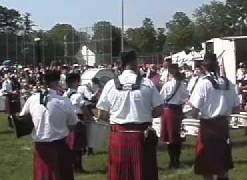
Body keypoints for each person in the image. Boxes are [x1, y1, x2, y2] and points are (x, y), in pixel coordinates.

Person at [96, 50, 163, 180]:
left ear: (122, 64)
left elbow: (101, 114)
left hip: (119, 136)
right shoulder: (147, 83)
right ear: (134, 62)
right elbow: (159, 109)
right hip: (142, 136)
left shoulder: (110, 85)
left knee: (119, 173)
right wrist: (144, 112)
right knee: (143, 173)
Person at [20, 70, 79, 180]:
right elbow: (72, 124)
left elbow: (22, 119)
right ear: (55, 83)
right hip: (59, 145)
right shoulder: (64, 101)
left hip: (41, 146)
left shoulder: (32, 99)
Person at [189, 53, 239, 180]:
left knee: (207, 167)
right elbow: (236, 108)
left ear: (204, 67)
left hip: (207, 128)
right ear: (217, 66)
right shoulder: (228, 83)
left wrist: (199, 113)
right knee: (223, 165)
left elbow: (194, 111)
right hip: (223, 126)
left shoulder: (203, 83)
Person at [160, 63, 189, 168]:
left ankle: (172, 161)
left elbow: (161, 98)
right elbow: (186, 97)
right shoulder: (182, 84)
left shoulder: (167, 85)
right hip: (178, 110)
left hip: (168, 110)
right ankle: (176, 160)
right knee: (177, 136)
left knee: (170, 138)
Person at [64, 73, 90, 173]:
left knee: (71, 144)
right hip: (78, 121)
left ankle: (72, 166)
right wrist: (89, 117)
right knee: (78, 146)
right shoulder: (78, 96)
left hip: (68, 121)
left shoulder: (65, 94)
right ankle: (78, 167)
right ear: (75, 82)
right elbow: (84, 108)